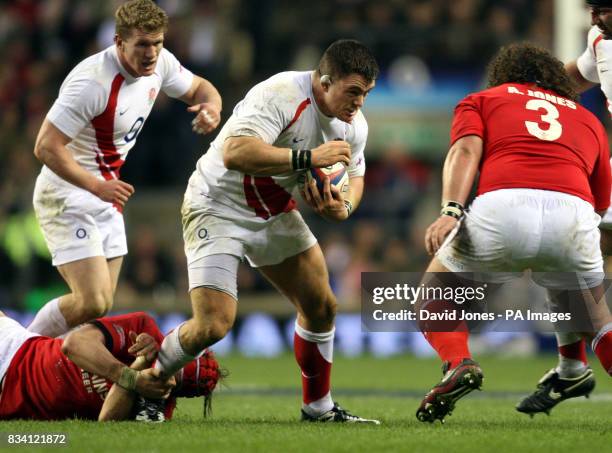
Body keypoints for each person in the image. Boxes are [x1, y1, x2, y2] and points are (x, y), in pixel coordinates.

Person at [150, 39, 380, 424]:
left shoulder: (353, 125)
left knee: (322, 307)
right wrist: (309, 158)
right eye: (353, 91)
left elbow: (355, 175)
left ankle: (318, 408)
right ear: (325, 81)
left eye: (365, 94)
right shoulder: (280, 94)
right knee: (213, 324)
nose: (359, 103)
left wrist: (344, 207)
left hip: (272, 208)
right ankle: (149, 381)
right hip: (216, 203)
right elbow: (235, 152)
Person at [414, 43, 612, 424]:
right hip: (574, 215)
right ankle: (573, 366)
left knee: (433, 300)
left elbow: (466, 152)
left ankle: (458, 363)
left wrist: (450, 211)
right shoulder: (590, 122)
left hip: (504, 207)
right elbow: (601, 203)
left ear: (504, 74)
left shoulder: (483, 100)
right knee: (596, 321)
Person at [28, 0, 222, 338]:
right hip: (66, 192)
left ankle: (57, 377)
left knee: (101, 306)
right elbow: (45, 145)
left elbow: (199, 88)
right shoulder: (92, 82)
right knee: (91, 300)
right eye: (142, 45)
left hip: (106, 191)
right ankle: (18, 353)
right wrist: (95, 185)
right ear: (119, 42)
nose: (151, 53)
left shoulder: (160, 64)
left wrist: (213, 107)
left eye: (158, 43)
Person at [517, 0, 612, 416]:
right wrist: (522, 93)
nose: (594, 18)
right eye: (592, 9)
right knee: (556, 255)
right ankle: (572, 366)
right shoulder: (601, 42)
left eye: (604, 9)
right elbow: (571, 78)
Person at [0, 310, 221, 421]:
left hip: (8, 402)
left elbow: (107, 422)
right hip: (12, 347)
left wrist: (140, 366)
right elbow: (74, 344)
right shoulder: (142, 326)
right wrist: (130, 377)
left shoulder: (156, 407)